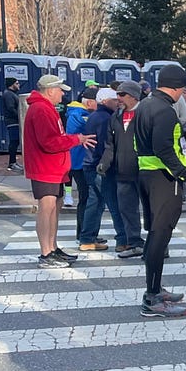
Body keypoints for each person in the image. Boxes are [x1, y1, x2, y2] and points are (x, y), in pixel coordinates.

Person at [134, 63, 186, 317]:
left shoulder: (144, 105)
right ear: (177, 87)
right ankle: (152, 298)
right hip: (165, 179)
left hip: (146, 175)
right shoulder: (165, 111)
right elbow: (165, 149)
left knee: (155, 234)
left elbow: (138, 142)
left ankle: (155, 288)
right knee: (159, 236)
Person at [22, 74, 95, 268]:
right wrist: (75, 139)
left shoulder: (46, 109)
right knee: (46, 208)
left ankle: (52, 248)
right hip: (45, 166)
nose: (63, 94)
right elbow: (49, 142)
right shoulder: (41, 110)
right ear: (50, 90)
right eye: (60, 90)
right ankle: (46, 253)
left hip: (54, 167)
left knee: (55, 206)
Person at [98, 81, 145, 257]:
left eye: (122, 95)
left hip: (145, 171)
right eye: (117, 95)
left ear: (133, 96)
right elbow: (110, 145)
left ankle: (159, 245)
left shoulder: (145, 113)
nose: (118, 98)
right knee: (127, 209)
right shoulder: (115, 117)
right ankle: (134, 242)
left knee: (151, 210)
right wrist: (104, 163)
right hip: (123, 172)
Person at [79, 88, 125, 251]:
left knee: (96, 202)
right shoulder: (105, 118)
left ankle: (87, 238)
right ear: (105, 101)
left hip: (91, 164)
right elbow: (106, 145)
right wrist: (108, 164)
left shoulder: (95, 116)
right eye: (114, 99)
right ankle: (123, 239)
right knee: (113, 203)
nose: (118, 101)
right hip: (100, 166)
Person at [65, 87, 96, 241]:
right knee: (87, 198)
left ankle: (83, 232)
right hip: (80, 162)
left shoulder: (76, 113)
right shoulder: (81, 116)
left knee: (86, 197)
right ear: (90, 102)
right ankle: (84, 233)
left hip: (78, 161)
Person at [2, 77, 21, 171]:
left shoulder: (11, 94)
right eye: (17, 83)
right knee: (14, 142)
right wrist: (19, 116)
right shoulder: (9, 94)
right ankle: (12, 163)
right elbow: (10, 108)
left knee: (15, 142)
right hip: (12, 122)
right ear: (12, 84)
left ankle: (13, 162)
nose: (18, 85)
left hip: (14, 121)